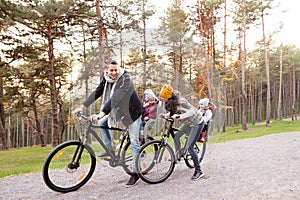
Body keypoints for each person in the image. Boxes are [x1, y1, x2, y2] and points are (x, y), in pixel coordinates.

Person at [73, 60, 142, 187]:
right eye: (111, 70)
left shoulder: (125, 79)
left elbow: (115, 98)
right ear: (107, 70)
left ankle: (135, 173)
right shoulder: (107, 78)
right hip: (119, 112)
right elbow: (97, 92)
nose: (114, 72)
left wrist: (101, 113)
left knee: (134, 142)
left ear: (119, 69)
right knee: (102, 123)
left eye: (116, 70)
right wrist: (82, 107)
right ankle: (110, 149)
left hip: (132, 113)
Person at [159, 84, 205, 181]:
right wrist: (166, 115)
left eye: (163, 97)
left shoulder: (180, 101)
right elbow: (176, 111)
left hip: (197, 123)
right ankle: (178, 155)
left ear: (168, 96)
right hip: (188, 122)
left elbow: (192, 111)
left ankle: (199, 171)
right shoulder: (171, 101)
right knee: (176, 136)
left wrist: (179, 117)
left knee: (190, 147)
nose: (162, 98)